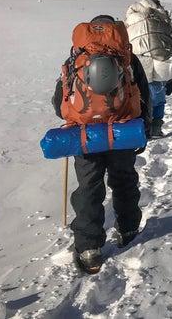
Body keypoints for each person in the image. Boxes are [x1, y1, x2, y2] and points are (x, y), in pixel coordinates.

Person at [51, 15, 150, 274]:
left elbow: (59, 103)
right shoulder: (126, 59)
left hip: (85, 136)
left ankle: (88, 249)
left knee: (89, 188)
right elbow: (143, 94)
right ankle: (128, 229)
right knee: (124, 180)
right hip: (122, 132)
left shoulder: (75, 59)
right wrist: (144, 129)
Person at [125, 0, 172, 138]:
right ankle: (155, 127)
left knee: (141, 97)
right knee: (158, 99)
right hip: (161, 61)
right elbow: (170, 41)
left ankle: (142, 128)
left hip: (139, 62)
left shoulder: (132, 16)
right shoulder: (161, 17)